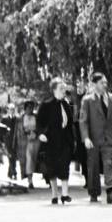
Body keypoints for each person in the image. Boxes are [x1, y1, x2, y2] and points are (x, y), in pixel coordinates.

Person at [79, 72, 112, 204]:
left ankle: (111, 190)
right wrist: (86, 137)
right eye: (102, 82)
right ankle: (94, 192)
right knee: (93, 166)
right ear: (94, 84)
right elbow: (83, 120)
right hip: (93, 139)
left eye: (106, 83)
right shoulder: (87, 100)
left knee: (109, 163)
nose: (105, 85)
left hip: (109, 138)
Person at [36, 77, 76, 205]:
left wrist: (73, 140)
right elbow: (39, 122)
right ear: (54, 90)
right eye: (61, 88)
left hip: (64, 140)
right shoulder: (46, 104)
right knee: (51, 167)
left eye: (64, 88)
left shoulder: (67, 104)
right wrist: (41, 133)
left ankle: (65, 194)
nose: (64, 91)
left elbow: (70, 124)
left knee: (65, 165)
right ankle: (54, 195)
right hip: (51, 141)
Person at [15, 99, 39, 188]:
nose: (30, 109)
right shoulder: (21, 119)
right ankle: (30, 180)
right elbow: (18, 131)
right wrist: (26, 132)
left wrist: (35, 132)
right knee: (28, 160)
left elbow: (40, 127)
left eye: (32, 107)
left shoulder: (36, 117)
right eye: (28, 107)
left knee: (35, 159)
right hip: (25, 142)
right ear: (25, 108)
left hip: (36, 141)